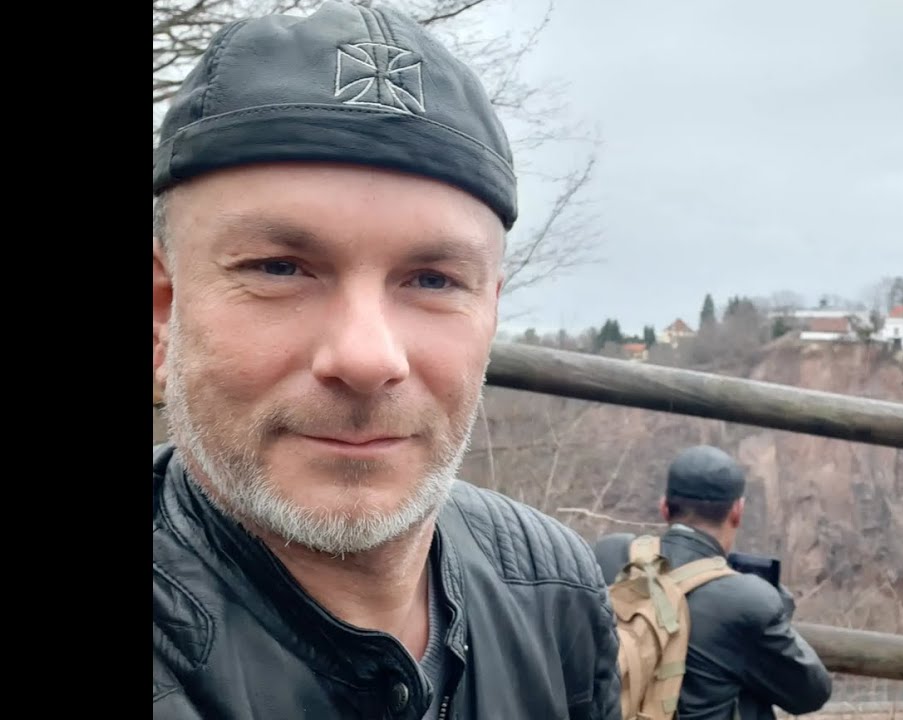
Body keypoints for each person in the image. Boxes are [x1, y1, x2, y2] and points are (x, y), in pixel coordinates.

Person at [151, 2, 620, 718]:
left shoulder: (554, 587)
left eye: (433, 280)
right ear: (164, 312)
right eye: (280, 267)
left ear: (490, 314)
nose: (368, 358)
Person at [593, 446, 833, 720]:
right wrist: (778, 609)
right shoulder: (748, 599)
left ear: (664, 508)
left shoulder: (608, 556)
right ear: (737, 512)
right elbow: (811, 693)